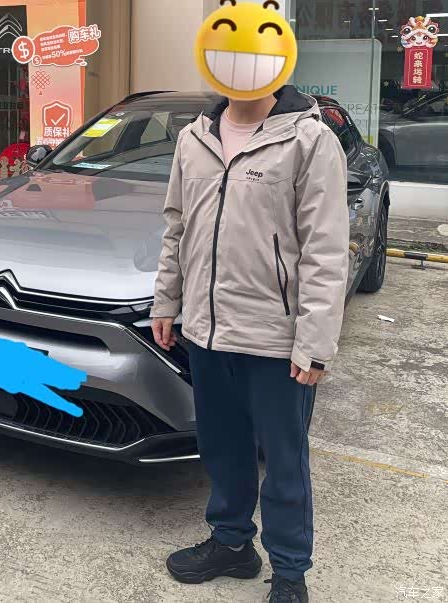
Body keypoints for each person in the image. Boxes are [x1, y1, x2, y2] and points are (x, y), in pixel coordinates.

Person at [150, 84, 349, 602]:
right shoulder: (195, 137)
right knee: (222, 447)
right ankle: (232, 544)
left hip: (275, 338)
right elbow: (177, 229)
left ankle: (290, 573)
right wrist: (166, 301)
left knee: (283, 461)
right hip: (206, 332)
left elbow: (326, 249)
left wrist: (315, 342)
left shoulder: (308, 140)